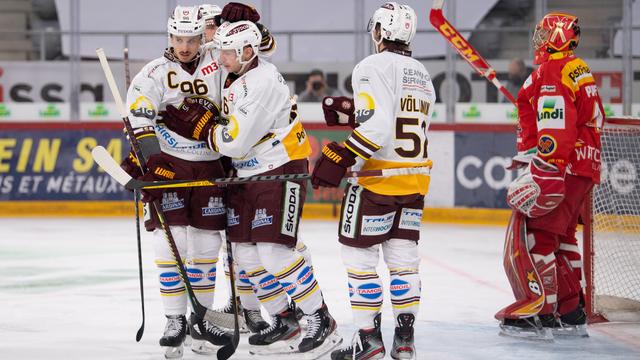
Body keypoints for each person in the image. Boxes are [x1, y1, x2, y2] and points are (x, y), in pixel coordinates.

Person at [159, 19, 342, 356]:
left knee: (275, 251)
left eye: (228, 51)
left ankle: (320, 318)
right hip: (247, 175)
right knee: (244, 255)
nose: (222, 56)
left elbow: (233, 142)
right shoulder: (236, 72)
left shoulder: (261, 84)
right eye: (222, 50)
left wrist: (200, 128)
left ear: (247, 51)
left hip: (280, 169)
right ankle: (285, 319)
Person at [311, 3, 434, 359]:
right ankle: (405, 340)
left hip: (375, 181)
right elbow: (395, 117)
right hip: (413, 181)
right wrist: (353, 110)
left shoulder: (370, 66)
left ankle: (368, 341)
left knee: (359, 260)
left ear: (380, 31)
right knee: (404, 260)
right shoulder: (422, 73)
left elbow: (378, 127)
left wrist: (342, 155)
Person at [119, 5, 230, 358]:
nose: (184, 46)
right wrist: (152, 162)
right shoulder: (153, 72)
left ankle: (204, 319)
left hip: (210, 166)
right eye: (178, 39)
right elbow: (139, 117)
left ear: (202, 36)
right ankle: (174, 319)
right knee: (171, 245)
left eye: (192, 39)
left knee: (206, 249)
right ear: (170, 37)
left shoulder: (218, 62)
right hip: (170, 167)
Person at [498, 12, 603, 340]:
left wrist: (546, 169)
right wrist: (531, 154)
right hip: (583, 166)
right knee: (564, 238)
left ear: (557, 36)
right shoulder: (574, 67)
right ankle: (571, 312)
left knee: (539, 236)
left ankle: (541, 313)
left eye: (543, 34)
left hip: (564, 166)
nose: (538, 39)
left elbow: (556, 129)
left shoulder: (552, 72)